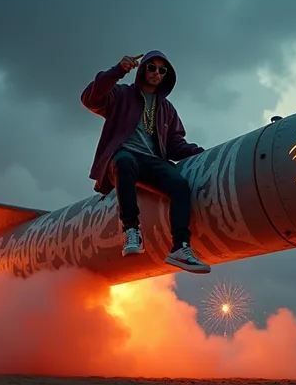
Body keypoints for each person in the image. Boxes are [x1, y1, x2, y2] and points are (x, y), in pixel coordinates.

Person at [80, 50, 211, 274]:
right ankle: (132, 230)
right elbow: (90, 98)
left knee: (179, 185)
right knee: (124, 162)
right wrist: (118, 70)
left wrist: (200, 152)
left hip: (150, 161)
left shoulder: (167, 108)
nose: (156, 73)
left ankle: (180, 247)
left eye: (162, 70)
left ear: (166, 75)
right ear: (142, 70)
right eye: (151, 67)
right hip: (123, 155)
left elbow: (175, 144)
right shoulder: (121, 95)